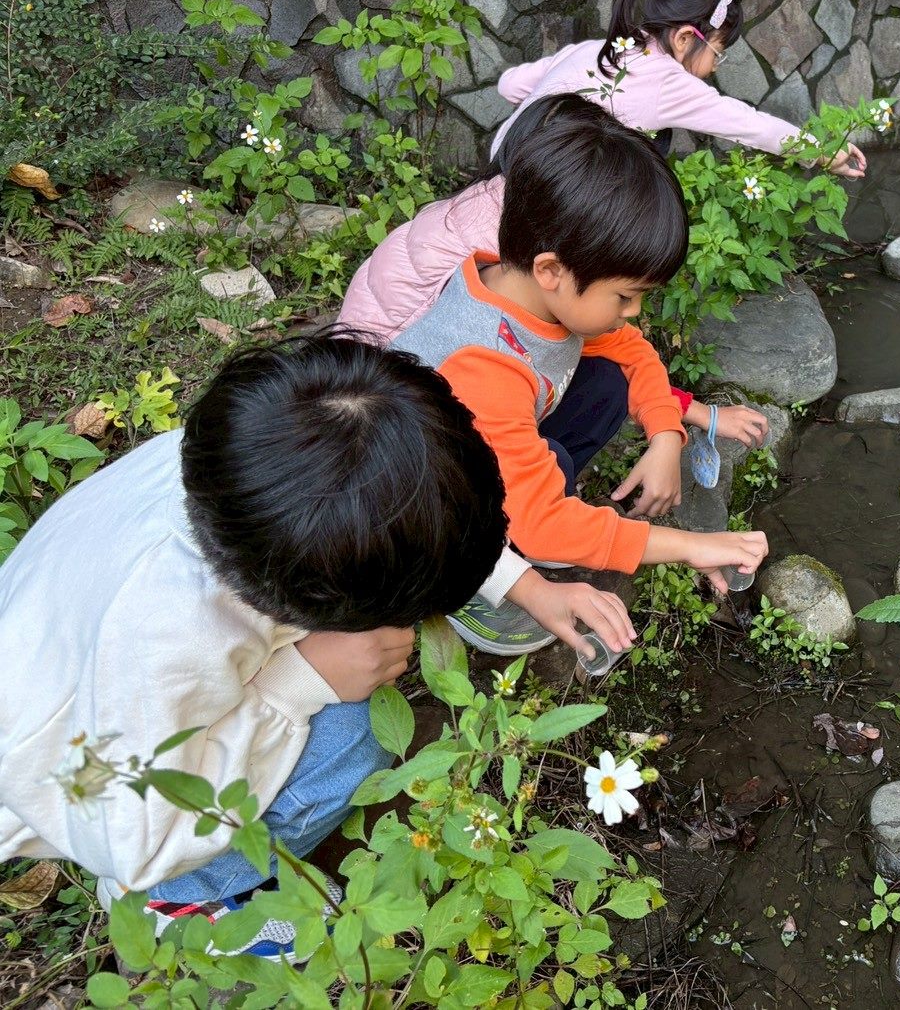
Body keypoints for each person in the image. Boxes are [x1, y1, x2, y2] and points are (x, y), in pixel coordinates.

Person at [0, 335, 630, 958]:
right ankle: (185, 901)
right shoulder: (161, 637)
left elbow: (400, 506)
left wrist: (522, 583)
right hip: (101, 797)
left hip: (91, 672)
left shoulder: (260, 463)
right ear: (311, 592)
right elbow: (131, 833)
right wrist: (302, 682)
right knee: (352, 733)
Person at [391, 94, 768, 650]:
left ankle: (527, 510)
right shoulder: (479, 362)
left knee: (608, 383)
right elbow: (545, 519)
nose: (634, 310)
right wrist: (691, 545)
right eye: (626, 295)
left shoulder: (533, 295)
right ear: (551, 269)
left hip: (485, 447)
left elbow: (633, 350)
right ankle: (485, 580)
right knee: (541, 497)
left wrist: (666, 435)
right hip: (422, 510)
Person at [337, 95, 771, 454]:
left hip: (401, 380)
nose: (634, 311)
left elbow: (621, 344)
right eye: (625, 297)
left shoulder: (513, 212)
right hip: (389, 420)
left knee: (604, 373)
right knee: (559, 450)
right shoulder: (509, 262)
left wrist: (676, 416)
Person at [493, 0, 868, 174]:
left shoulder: (598, 48)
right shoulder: (668, 82)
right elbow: (751, 126)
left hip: (503, 164)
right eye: (718, 52)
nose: (716, 66)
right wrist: (823, 153)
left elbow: (509, 86)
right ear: (686, 38)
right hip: (541, 197)